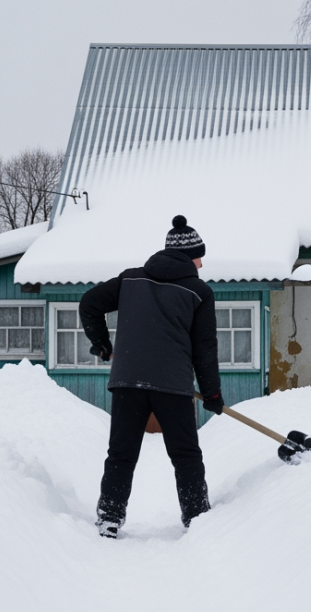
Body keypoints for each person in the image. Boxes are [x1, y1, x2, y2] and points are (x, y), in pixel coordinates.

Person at [79, 215, 224, 539]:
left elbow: (89, 303)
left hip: (127, 380)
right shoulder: (199, 292)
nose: (201, 264)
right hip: (172, 384)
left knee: (121, 454)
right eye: (200, 256)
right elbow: (204, 348)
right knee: (186, 455)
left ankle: (109, 519)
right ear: (190, 256)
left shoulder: (130, 280)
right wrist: (212, 394)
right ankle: (197, 517)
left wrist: (102, 345)